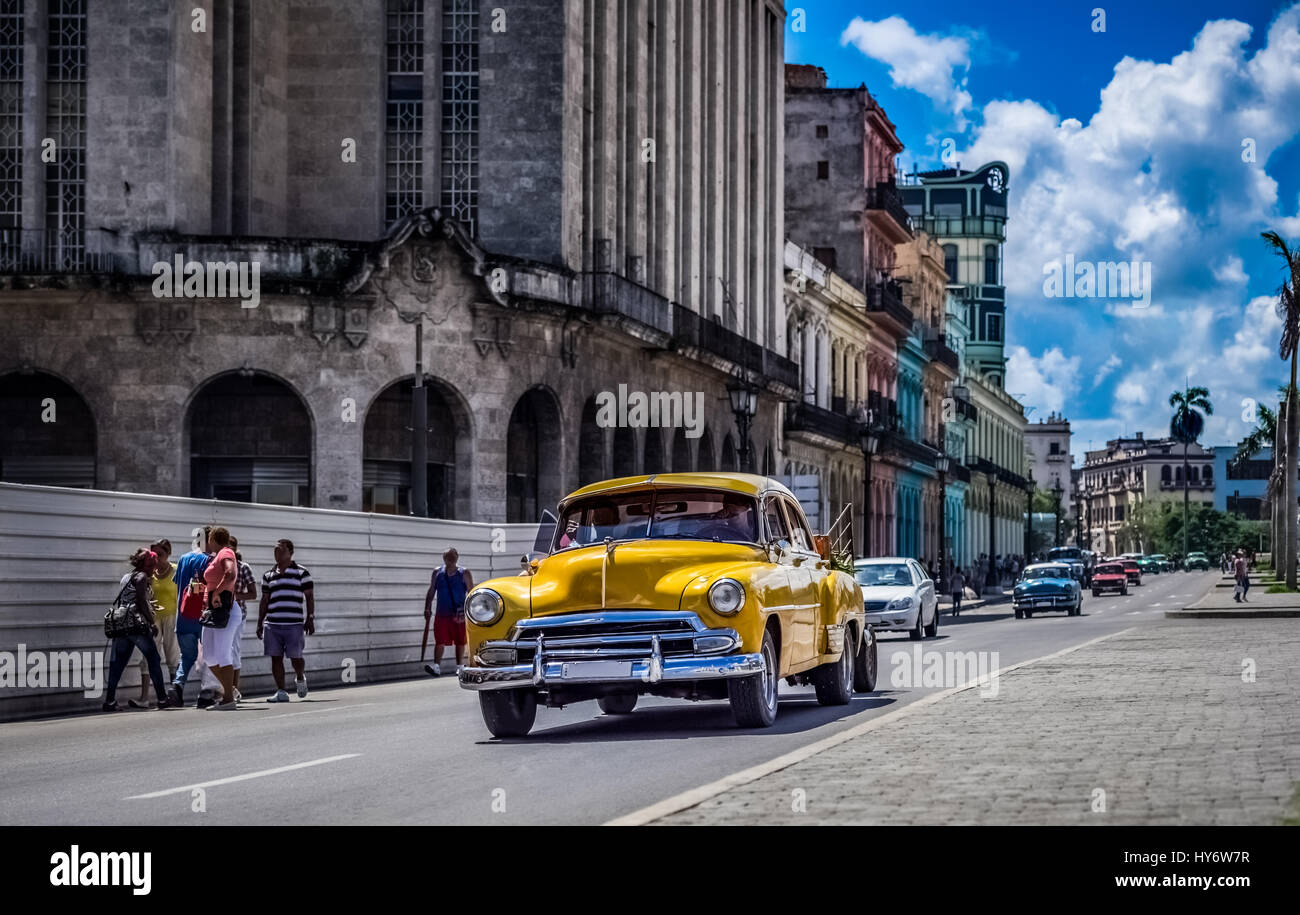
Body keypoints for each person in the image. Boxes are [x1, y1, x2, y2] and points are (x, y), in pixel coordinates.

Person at [103, 549, 170, 712]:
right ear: (147, 565)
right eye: (153, 565)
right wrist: (151, 622)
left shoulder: (127, 577)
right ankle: (162, 699)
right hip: (136, 625)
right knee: (153, 658)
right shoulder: (141, 577)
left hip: (122, 625)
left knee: (118, 664)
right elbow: (140, 601)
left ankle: (110, 701)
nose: (154, 568)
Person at [258, 538, 315, 702]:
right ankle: (281, 691)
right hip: (272, 623)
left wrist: (310, 618)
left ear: (290, 552)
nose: (277, 553)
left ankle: (299, 676)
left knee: (296, 657)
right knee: (275, 657)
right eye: (275, 550)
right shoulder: (268, 575)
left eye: (281, 550)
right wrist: (260, 623)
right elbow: (264, 600)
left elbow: (309, 597)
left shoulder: (301, 572)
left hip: (294, 623)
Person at [129, 538, 179, 708]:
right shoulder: (149, 573)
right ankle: (144, 698)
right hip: (152, 618)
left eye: (160, 554)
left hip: (171, 616)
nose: (157, 558)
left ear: (168, 554)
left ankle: (175, 695)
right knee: (148, 657)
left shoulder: (176, 570)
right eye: (154, 554)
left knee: (172, 655)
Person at [199, 527, 241, 710]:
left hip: (226, 610)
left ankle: (228, 699)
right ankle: (230, 689)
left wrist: (217, 592)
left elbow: (230, 573)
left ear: (212, 538)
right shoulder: (217, 555)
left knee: (223, 654)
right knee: (208, 655)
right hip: (212, 611)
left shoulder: (226, 552)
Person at [169, 528, 211, 707]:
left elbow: (178, 584)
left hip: (184, 617)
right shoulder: (210, 560)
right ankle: (206, 692)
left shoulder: (183, 559)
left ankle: (178, 685)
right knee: (209, 655)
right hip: (203, 618)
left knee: (186, 656)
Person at [423, 547, 473, 677]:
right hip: (442, 613)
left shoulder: (464, 573)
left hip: (459, 614)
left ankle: (459, 666)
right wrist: (427, 607)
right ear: (444, 558)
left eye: (452, 557)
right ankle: (436, 666)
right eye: (447, 557)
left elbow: (471, 592)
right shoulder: (437, 572)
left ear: (457, 558)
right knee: (439, 640)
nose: (450, 560)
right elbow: (431, 591)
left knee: (460, 641)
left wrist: (470, 611)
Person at [229, 536, 258, 701]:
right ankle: (223, 689)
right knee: (221, 651)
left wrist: (233, 596)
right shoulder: (217, 566)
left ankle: (233, 689)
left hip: (238, 614)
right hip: (220, 615)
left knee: (234, 650)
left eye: (230, 546)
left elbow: (253, 594)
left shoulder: (243, 568)